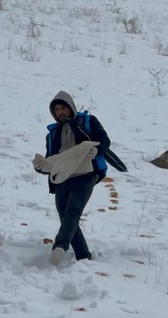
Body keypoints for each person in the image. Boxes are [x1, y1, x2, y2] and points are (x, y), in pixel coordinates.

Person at [33, 91, 110, 266]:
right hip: (62, 178)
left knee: (73, 211)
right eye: (57, 109)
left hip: (85, 175)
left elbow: (105, 141)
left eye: (63, 108)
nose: (60, 112)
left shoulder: (88, 122)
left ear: (71, 107)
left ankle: (60, 246)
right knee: (66, 218)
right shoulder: (52, 134)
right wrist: (40, 166)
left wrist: (97, 150)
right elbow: (52, 162)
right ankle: (84, 257)